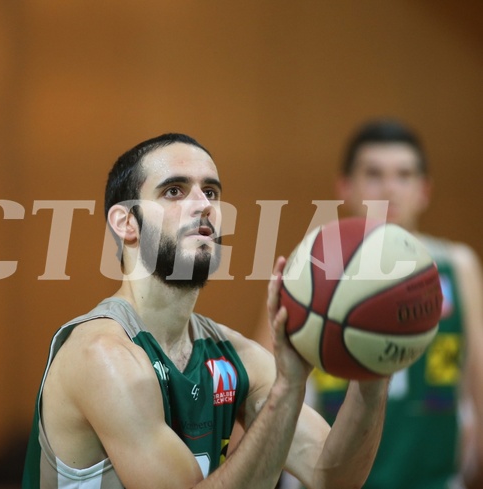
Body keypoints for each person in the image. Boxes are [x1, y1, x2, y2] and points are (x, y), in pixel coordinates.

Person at [22, 133, 390, 489]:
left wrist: (373, 378)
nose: (203, 205)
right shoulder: (102, 356)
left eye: (210, 192)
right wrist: (287, 389)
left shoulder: (233, 354)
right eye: (174, 191)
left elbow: (333, 476)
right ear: (127, 223)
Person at [307, 119, 483, 489]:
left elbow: (478, 383)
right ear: (345, 187)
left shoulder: (458, 265)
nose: (389, 188)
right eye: (374, 174)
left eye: (404, 175)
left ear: (425, 190)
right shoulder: (312, 270)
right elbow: (268, 388)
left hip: (435, 480)